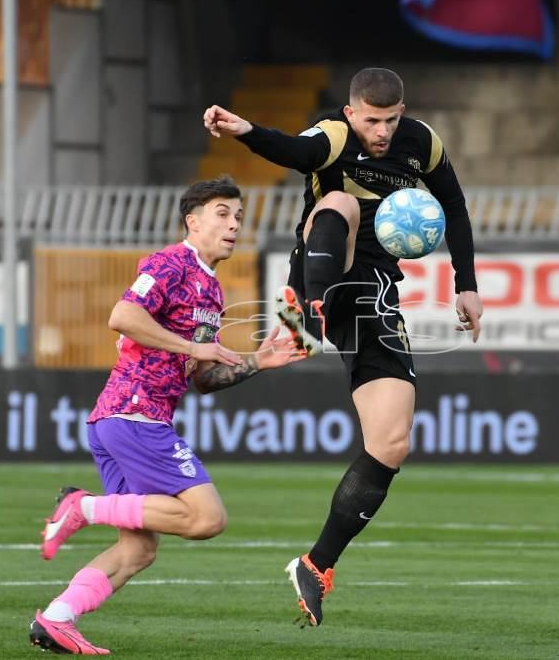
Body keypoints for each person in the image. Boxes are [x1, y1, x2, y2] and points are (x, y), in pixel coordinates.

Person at [203, 67, 484, 627]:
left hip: (374, 291)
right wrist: (246, 131)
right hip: (320, 270)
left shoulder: (422, 143)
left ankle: (316, 565)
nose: (382, 132)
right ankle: (304, 312)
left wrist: (467, 284)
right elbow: (294, 151)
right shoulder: (333, 134)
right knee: (339, 202)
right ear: (352, 112)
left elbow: (453, 205)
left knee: (392, 442)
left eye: (391, 120)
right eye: (372, 121)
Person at [29, 176, 305, 655]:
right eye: (222, 214)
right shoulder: (170, 263)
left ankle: (56, 618)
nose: (234, 225)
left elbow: (204, 378)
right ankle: (83, 507)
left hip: (122, 419)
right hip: (134, 413)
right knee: (207, 518)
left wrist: (257, 362)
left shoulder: (212, 290)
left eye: (239, 217)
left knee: (138, 549)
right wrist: (192, 346)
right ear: (192, 222)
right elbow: (122, 316)